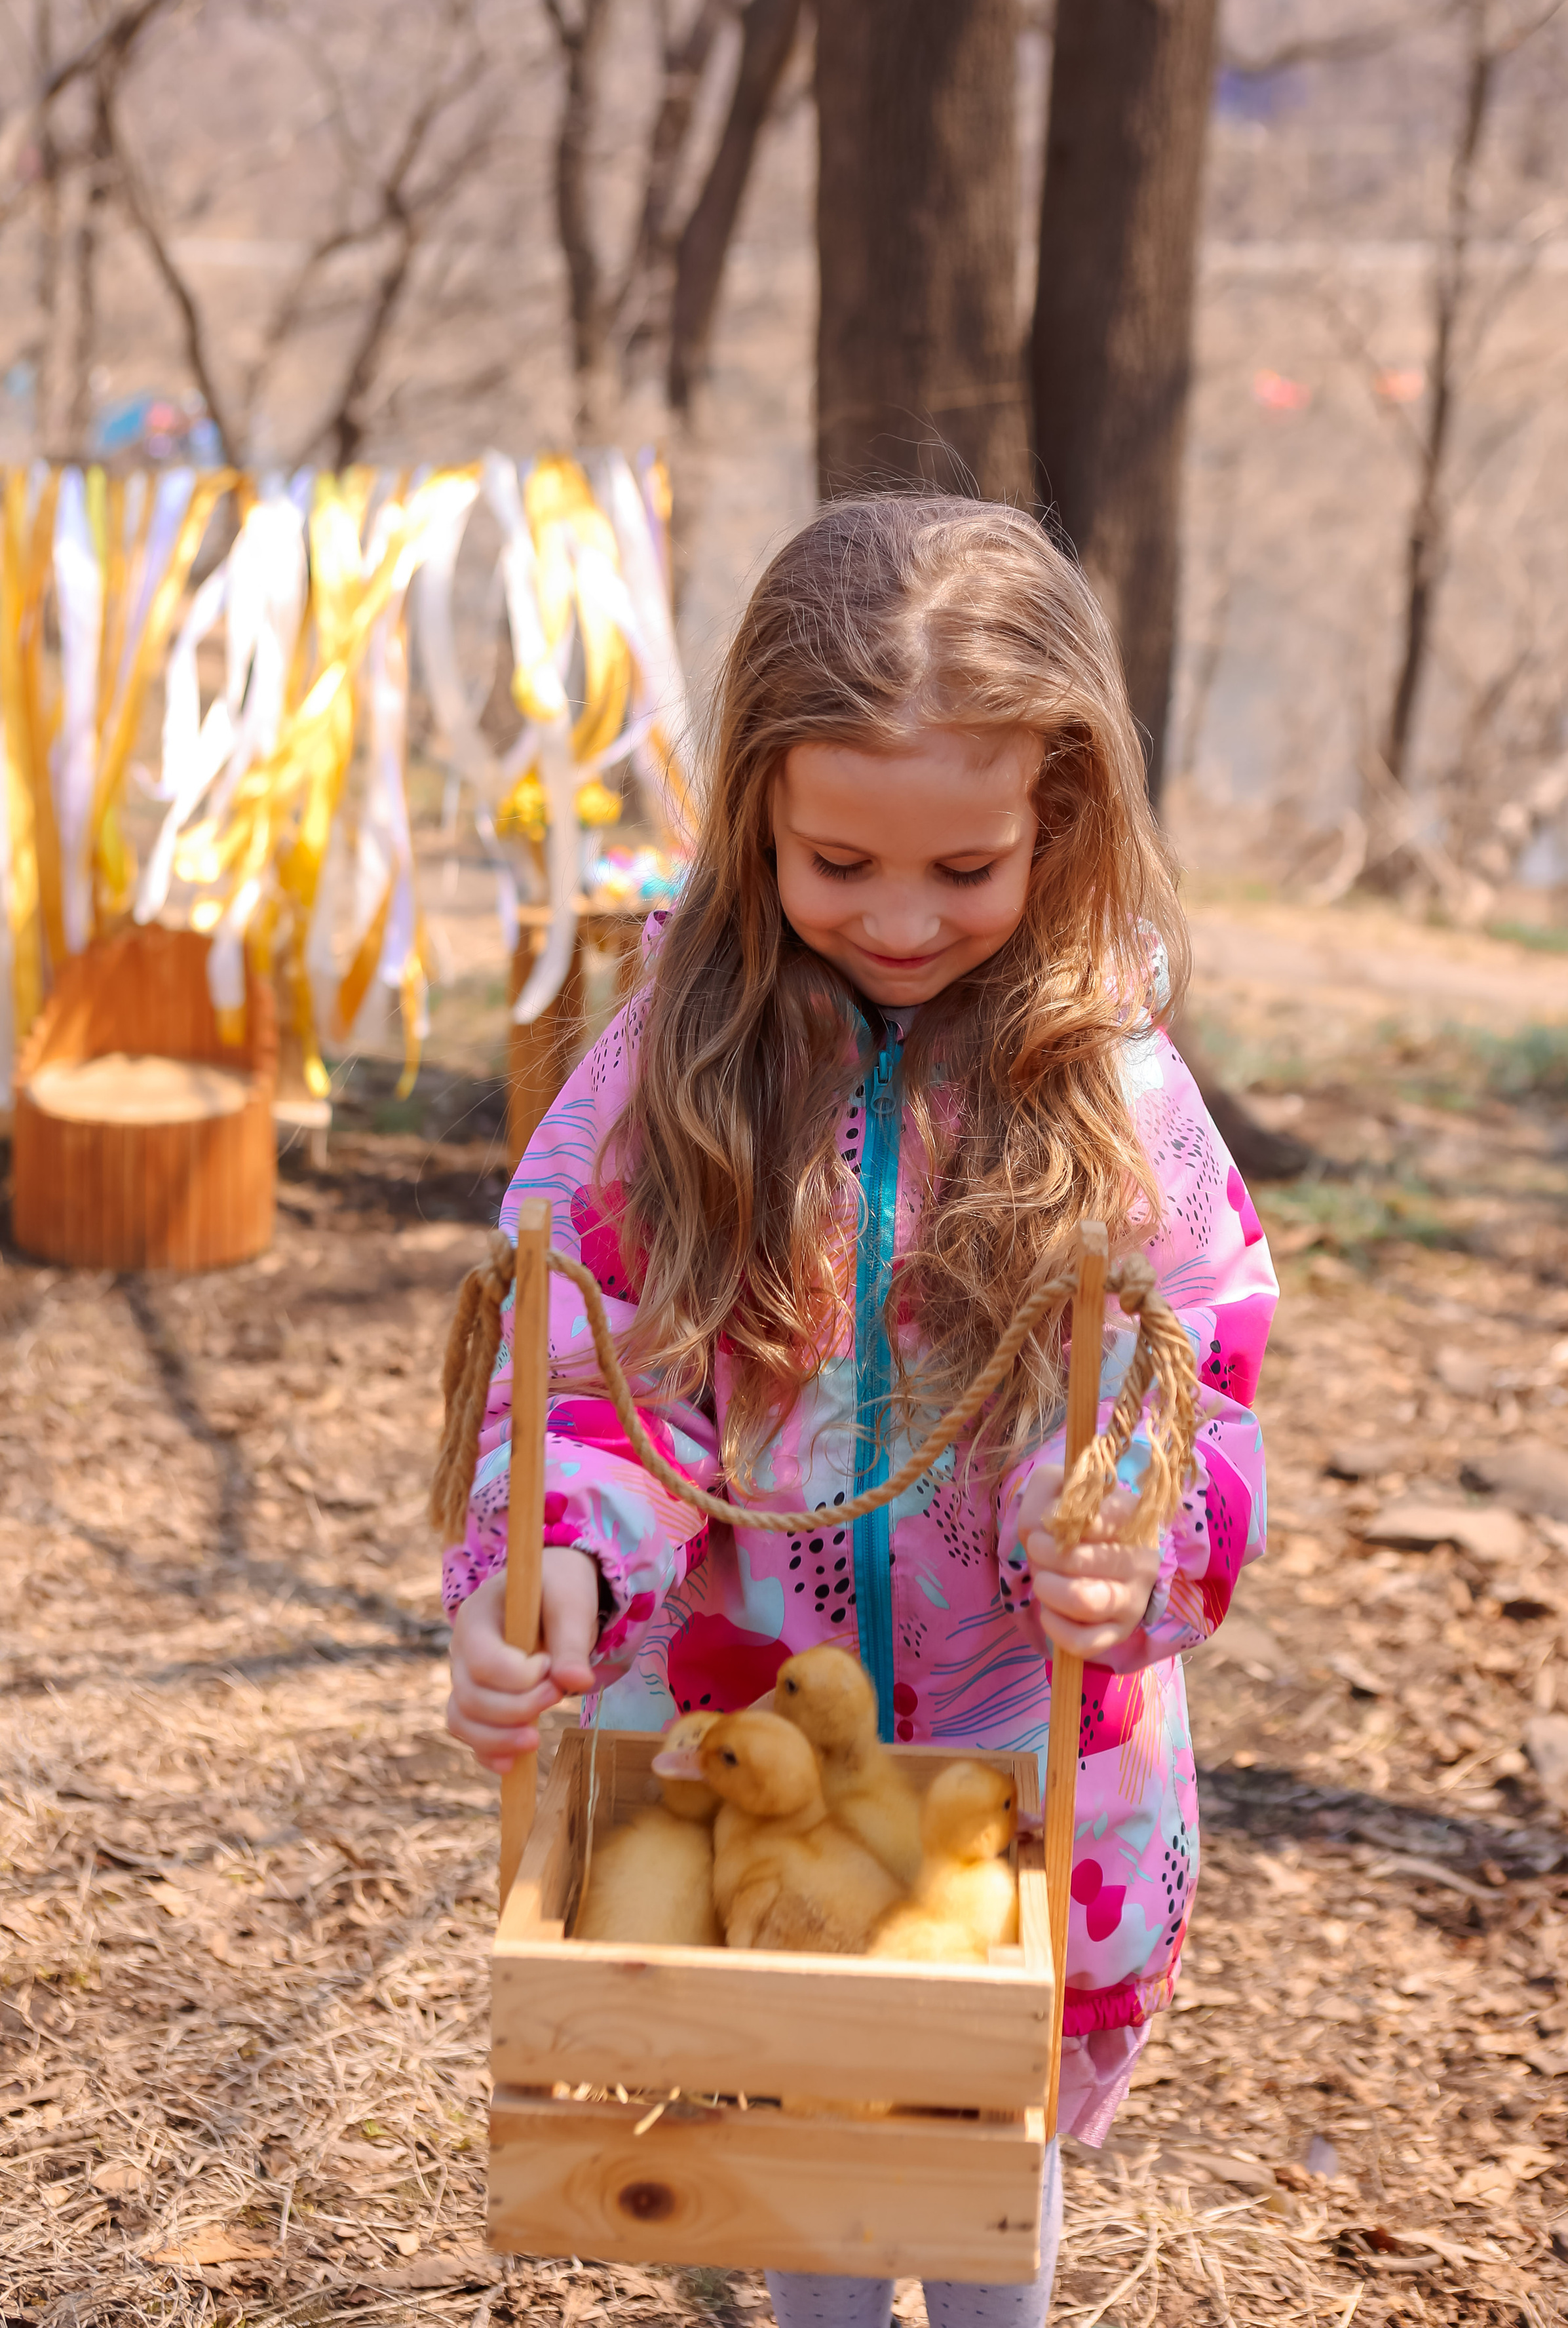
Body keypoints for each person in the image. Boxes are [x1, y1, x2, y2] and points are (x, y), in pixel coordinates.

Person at [442, 494, 1276, 2328]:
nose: (901, 921)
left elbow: (1186, 1363)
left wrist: (1121, 1525)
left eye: (964, 872)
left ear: (1059, 823)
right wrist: (556, 1572)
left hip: (1024, 1738)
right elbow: (587, 1366)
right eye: (840, 864)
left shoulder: (1110, 1085)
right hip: (759, 1716)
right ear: (754, 813)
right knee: (809, 2132)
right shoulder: (676, 1067)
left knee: (986, 2164)